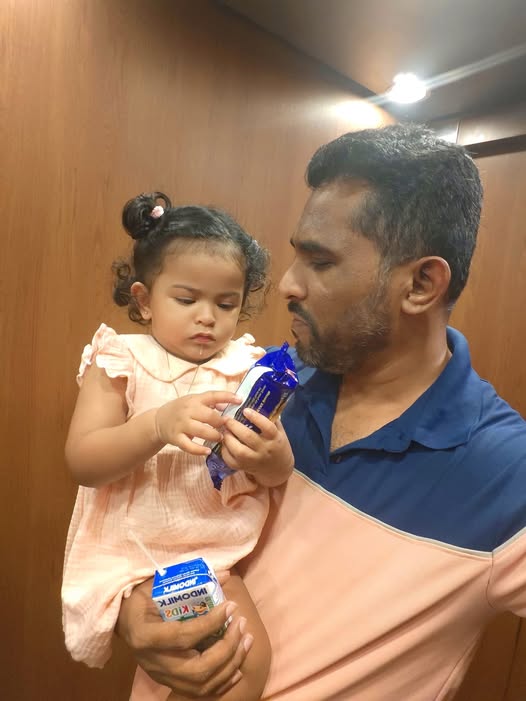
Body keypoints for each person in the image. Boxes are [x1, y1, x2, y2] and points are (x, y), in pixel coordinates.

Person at [117, 123, 526, 701]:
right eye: (296, 255)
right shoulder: (258, 384)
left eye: (321, 261)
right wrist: (132, 611)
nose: (287, 284)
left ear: (421, 284)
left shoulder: (505, 474)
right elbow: (163, 524)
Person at [62, 192, 295, 701]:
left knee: (246, 662)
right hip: (137, 556)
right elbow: (83, 461)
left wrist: (274, 458)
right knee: (187, 659)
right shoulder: (121, 358)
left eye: (226, 304)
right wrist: (155, 426)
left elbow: (275, 476)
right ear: (144, 300)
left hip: (213, 557)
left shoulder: (246, 367)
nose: (207, 318)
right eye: (187, 300)